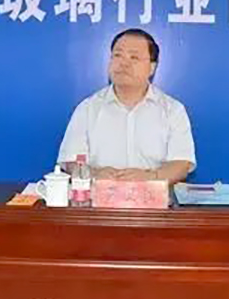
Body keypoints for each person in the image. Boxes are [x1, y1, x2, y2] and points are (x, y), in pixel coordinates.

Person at [57, 28, 195, 185]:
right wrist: (95, 174)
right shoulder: (88, 109)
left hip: (154, 198)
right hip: (99, 198)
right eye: (117, 55)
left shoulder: (172, 110)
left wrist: (150, 177)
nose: (123, 63)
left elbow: (181, 164)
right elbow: (70, 162)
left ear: (152, 68)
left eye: (134, 57)